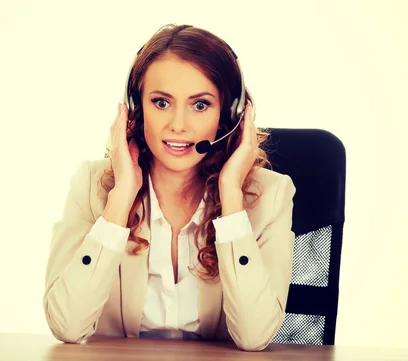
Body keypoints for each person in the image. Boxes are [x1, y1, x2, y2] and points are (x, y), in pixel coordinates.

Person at [43, 24, 296, 352]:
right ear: (136, 106)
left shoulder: (270, 196)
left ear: (229, 114)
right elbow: (67, 325)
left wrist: (231, 196)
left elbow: (254, 336)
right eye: (161, 102)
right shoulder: (93, 187)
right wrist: (121, 199)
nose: (178, 124)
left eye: (200, 105)